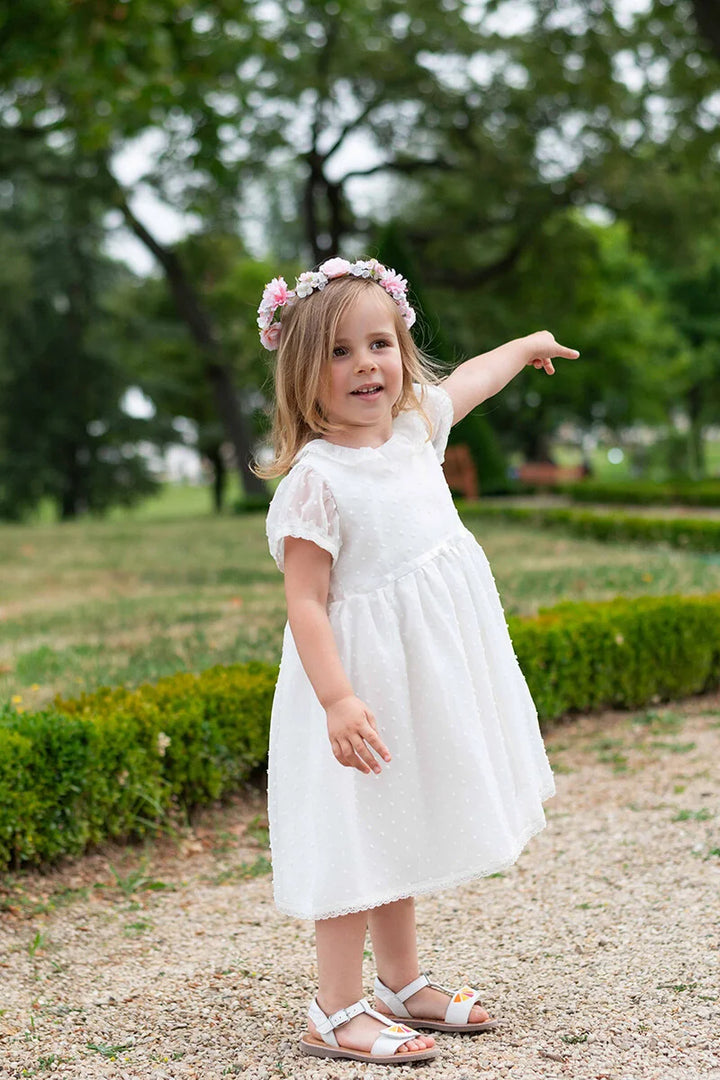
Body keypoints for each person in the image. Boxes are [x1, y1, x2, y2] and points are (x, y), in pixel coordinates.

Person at [253, 256, 580, 1065]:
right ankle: (334, 1008)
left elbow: (472, 378)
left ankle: (401, 982)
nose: (366, 365)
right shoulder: (316, 483)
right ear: (303, 374)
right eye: (338, 353)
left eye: (379, 345)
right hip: (355, 684)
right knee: (355, 840)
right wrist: (335, 700)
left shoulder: (415, 429)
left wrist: (524, 344)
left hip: (413, 680)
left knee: (395, 827)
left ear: (401, 349)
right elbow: (304, 603)